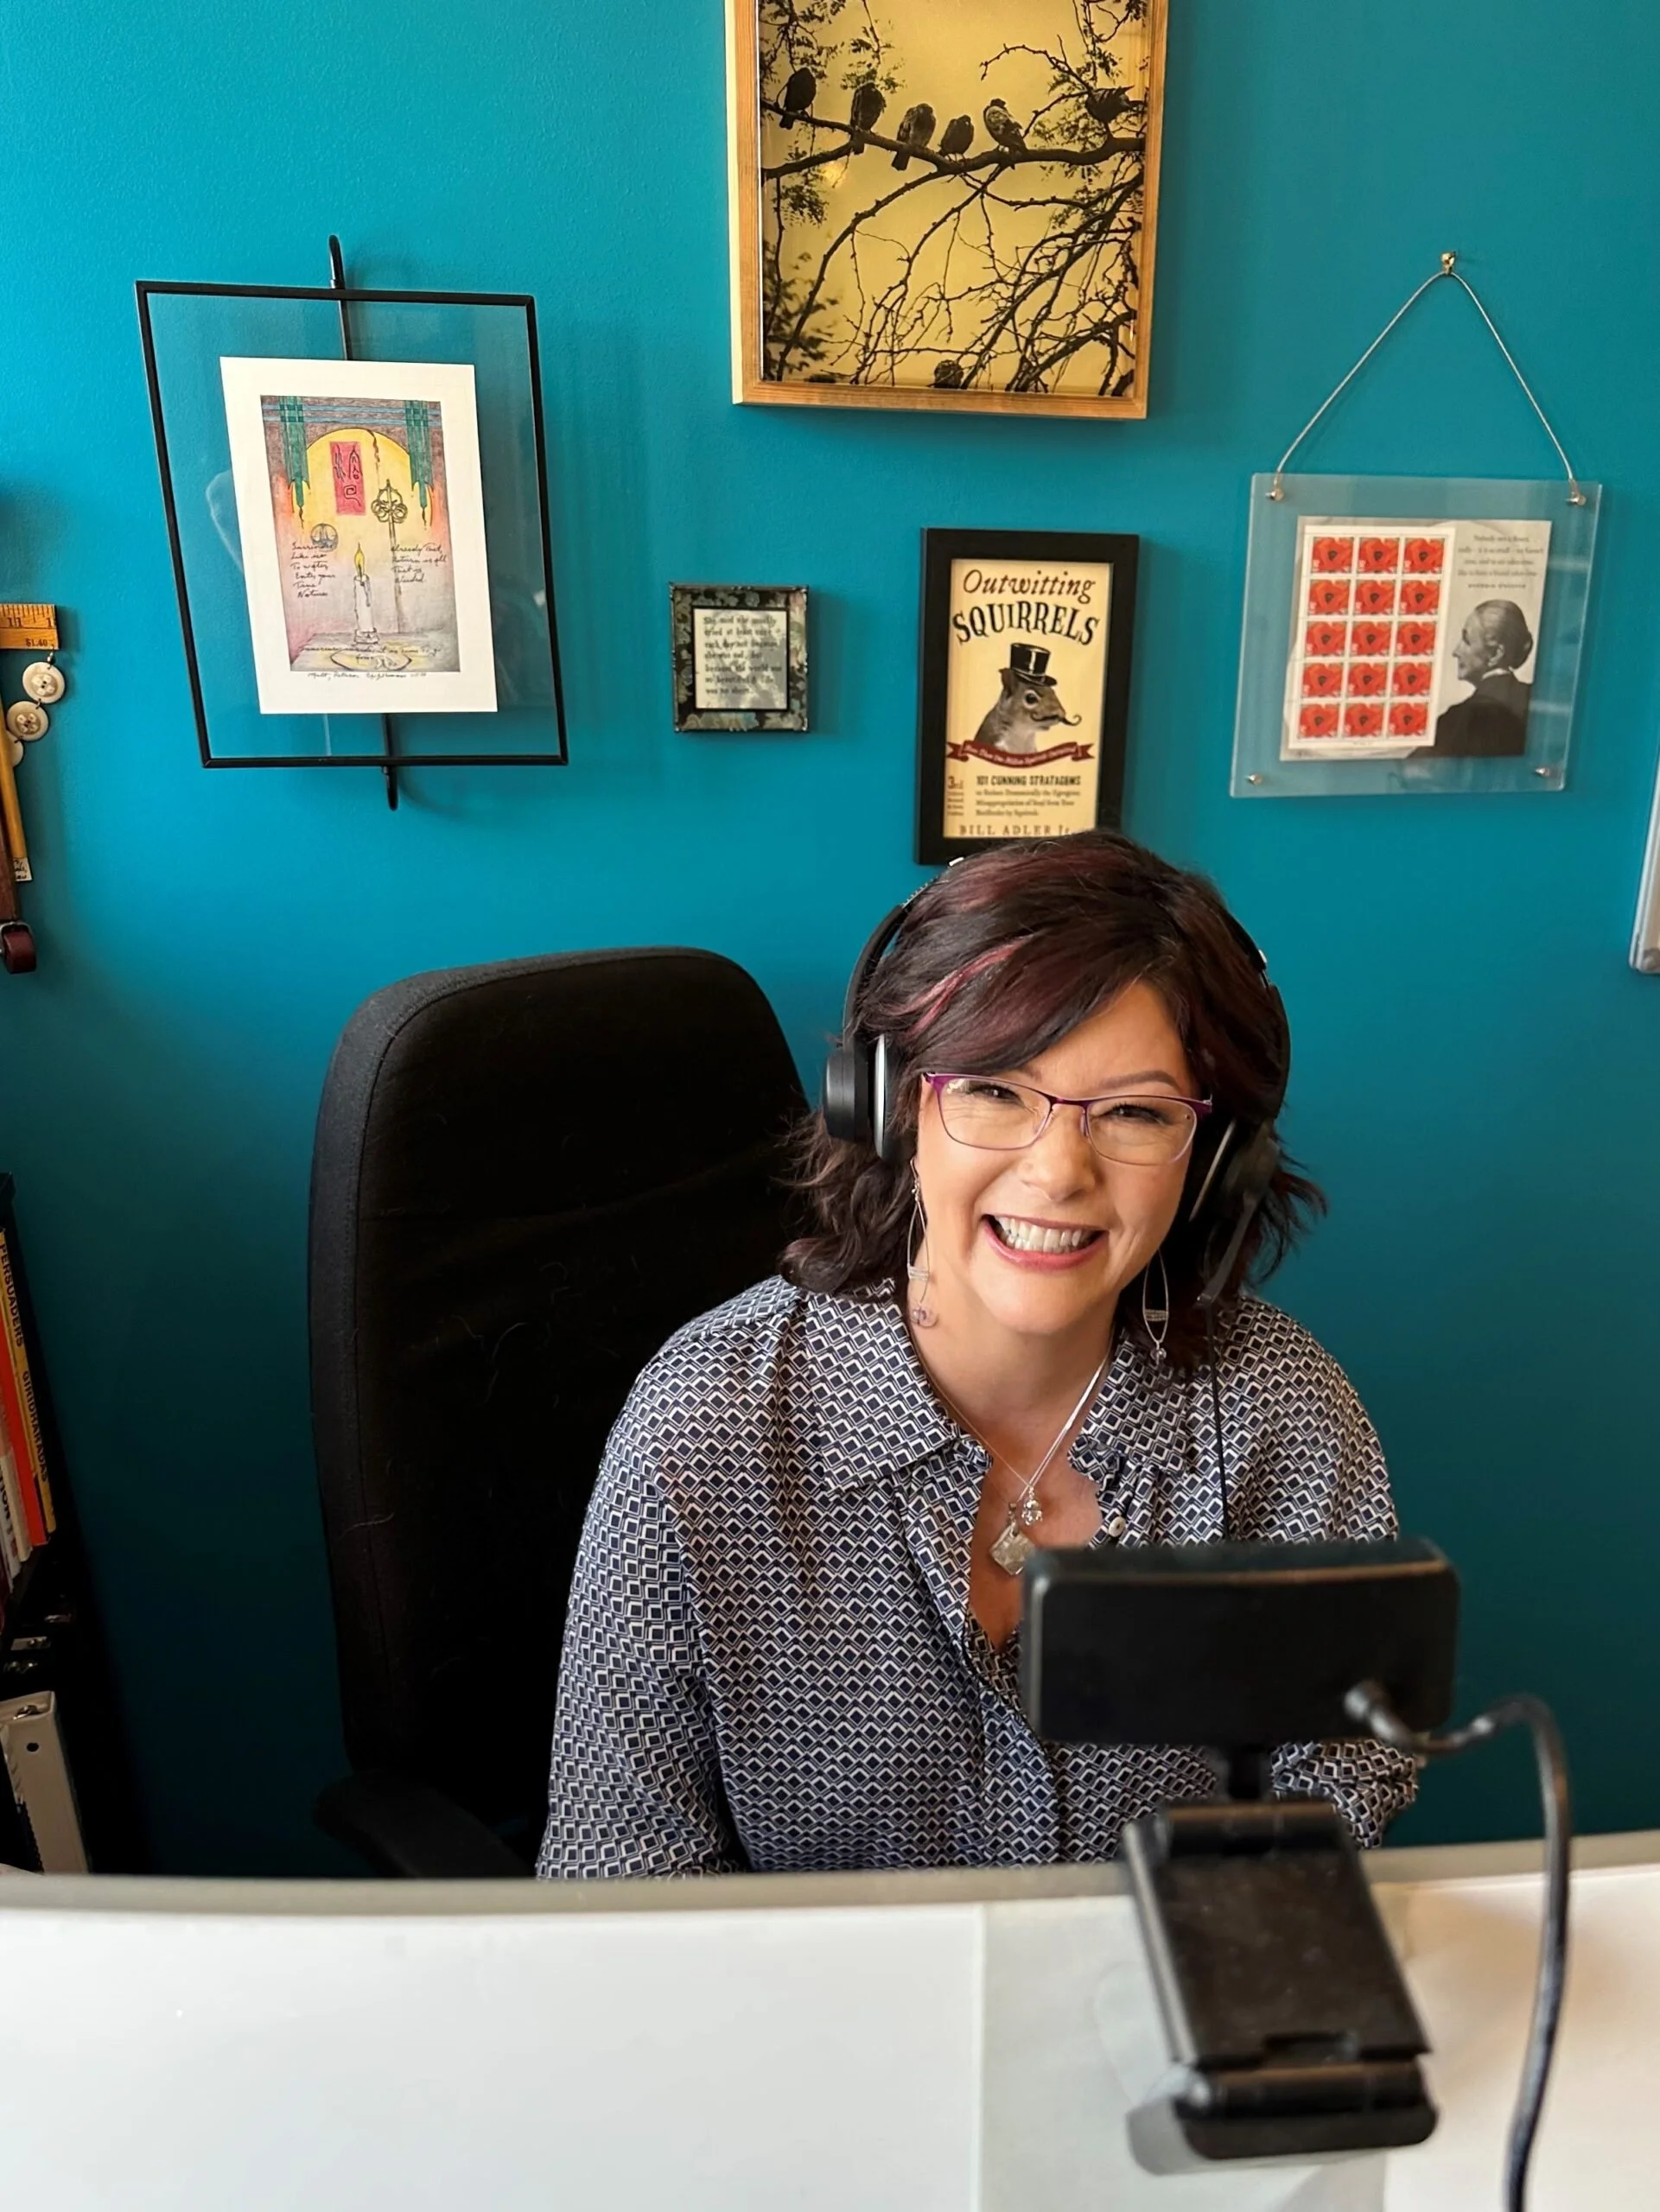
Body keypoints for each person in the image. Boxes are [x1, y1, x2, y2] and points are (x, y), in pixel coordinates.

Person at [537, 832, 1415, 1878]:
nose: (1054, 1173)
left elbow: (1339, 1790)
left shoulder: (1279, 1415)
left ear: (1216, 1161)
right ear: (894, 1104)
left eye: (1135, 1112)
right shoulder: (706, 1426)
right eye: (994, 1089)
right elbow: (621, 1870)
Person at [1432, 599, 1534, 755]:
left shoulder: (1458, 720)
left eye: (1467, 641)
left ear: (1495, 654)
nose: (1456, 651)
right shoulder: (1535, 700)